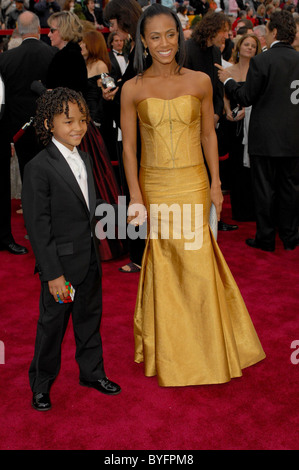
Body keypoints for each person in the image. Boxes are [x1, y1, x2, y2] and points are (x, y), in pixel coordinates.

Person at [121, 4, 265, 387]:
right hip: (155, 188)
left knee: (200, 263)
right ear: (144, 42)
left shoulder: (201, 81)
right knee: (165, 265)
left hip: (194, 184)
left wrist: (217, 184)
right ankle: (172, 351)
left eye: (171, 34)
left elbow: (208, 135)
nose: (164, 43)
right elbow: (130, 149)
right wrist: (135, 197)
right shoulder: (132, 88)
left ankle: (209, 347)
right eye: (155, 36)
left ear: (180, 35)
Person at [22, 87, 121, 411]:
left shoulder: (87, 158)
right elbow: (38, 226)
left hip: (90, 260)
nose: (78, 127)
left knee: (89, 320)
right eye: (68, 122)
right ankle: (41, 384)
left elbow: (88, 208)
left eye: (82, 120)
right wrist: (52, 274)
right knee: (52, 326)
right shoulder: (39, 166)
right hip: (61, 271)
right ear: (49, 124)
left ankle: (92, 373)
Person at [216, 10, 299, 251]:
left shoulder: (262, 61)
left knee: (264, 190)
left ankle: (265, 238)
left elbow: (246, 97)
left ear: (272, 32)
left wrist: (228, 82)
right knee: (291, 188)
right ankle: (290, 236)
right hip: (294, 137)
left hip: (265, 139)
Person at [0, 11, 56, 255]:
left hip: (17, 132)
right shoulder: (53, 55)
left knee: (29, 180)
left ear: (17, 31)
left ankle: (33, 228)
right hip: (50, 129)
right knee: (52, 180)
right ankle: (50, 230)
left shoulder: (6, 59)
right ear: (40, 29)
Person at [185, 10, 239, 231]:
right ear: (213, 29)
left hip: (210, 121)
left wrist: (216, 113)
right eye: (224, 31)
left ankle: (214, 218)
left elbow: (217, 87)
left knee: (211, 169)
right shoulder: (188, 50)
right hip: (189, 122)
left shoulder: (216, 52)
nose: (226, 36)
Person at [103, 0, 145, 272]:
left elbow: (135, 85)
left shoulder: (141, 46)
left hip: (139, 134)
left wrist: (115, 95)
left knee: (134, 193)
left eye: (112, 22)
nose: (110, 28)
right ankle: (139, 254)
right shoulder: (139, 45)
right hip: (141, 132)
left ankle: (139, 256)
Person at [223, 33, 261, 221]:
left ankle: (253, 209)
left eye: (253, 46)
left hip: (253, 124)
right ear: (239, 47)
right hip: (233, 125)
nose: (249, 48)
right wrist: (228, 111)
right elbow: (224, 94)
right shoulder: (229, 70)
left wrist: (248, 111)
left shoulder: (258, 69)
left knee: (252, 166)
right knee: (236, 164)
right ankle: (240, 210)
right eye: (246, 44)